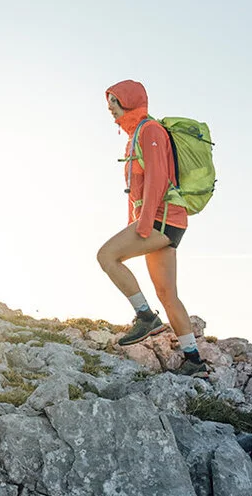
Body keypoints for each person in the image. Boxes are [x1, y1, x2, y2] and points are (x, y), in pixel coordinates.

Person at [96, 79, 205, 375]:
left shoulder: (150, 131)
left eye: (114, 102)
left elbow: (157, 179)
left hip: (161, 219)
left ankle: (145, 317)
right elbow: (136, 191)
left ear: (129, 102)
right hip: (167, 222)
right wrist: (134, 223)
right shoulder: (135, 137)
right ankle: (194, 361)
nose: (110, 109)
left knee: (106, 257)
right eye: (109, 103)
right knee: (167, 294)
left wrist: (142, 226)